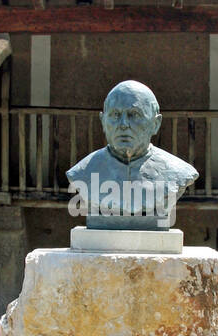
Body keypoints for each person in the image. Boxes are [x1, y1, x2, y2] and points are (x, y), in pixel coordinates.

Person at [67, 79, 198, 229]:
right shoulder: (82, 172)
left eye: (134, 115)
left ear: (156, 124)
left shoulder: (177, 172)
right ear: (103, 121)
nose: (123, 124)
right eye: (115, 115)